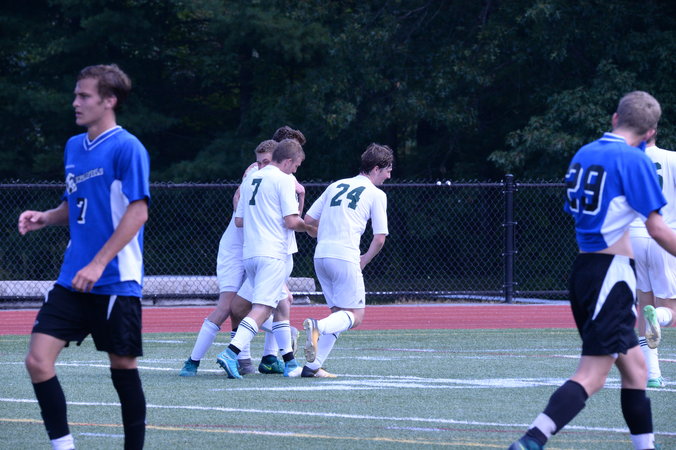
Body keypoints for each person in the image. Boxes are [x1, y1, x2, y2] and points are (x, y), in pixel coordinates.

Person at [509, 91, 676, 450]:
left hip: (585, 269)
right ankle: (530, 441)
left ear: (615, 118)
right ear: (650, 133)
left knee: (637, 370)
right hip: (611, 276)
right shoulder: (634, 160)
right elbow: (657, 228)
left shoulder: (584, 153)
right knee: (592, 376)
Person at [19, 64, 150, 450]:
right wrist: (47, 217)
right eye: (76, 95)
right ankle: (64, 447)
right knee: (37, 361)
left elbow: (138, 213)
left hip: (115, 280)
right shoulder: (74, 146)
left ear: (109, 100)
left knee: (122, 366)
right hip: (72, 279)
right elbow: (76, 204)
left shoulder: (128, 147)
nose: (75, 102)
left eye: (84, 96)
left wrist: (98, 263)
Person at [179, 140, 277, 377]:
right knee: (227, 307)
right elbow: (239, 206)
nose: (262, 166)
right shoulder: (255, 174)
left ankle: (263, 357)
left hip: (257, 249)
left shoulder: (281, 178)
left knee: (258, 305)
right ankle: (192, 362)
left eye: (266, 162)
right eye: (260, 162)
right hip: (237, 250)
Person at [216, 139, 311, 379]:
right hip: (273, 254)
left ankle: (289, 362)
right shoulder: (283, 179)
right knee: (263, 308)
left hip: (250, 253)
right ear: (287, 161)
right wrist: (313, 228)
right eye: (296, 165)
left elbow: (239, 220)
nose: (295, 170)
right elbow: (291, 221)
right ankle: (231, 353)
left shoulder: (251, 178)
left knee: (274, 305)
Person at [302, 143, 393, 378]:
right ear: (376, 168)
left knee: (339, 315)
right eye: (387, 170)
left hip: (321, 256)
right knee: (356, 316)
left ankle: (312, 367)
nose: (389, 176)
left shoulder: (335, 185)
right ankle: (317, 327)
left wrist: (324, 234)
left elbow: (308, 221)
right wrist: (364, 260)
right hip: (344, 257)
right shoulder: (376, 194)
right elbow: (380, 238)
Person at [629, 134, 676, 389]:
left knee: (644, 304)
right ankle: (658, 315)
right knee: (669, 312)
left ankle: (653, 374)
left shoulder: (628, 160)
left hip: (635, 236)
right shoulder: (672, 158)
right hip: (665, 235)